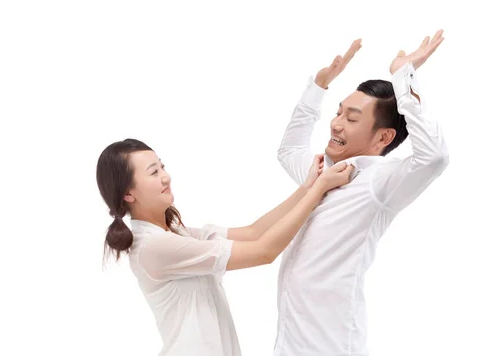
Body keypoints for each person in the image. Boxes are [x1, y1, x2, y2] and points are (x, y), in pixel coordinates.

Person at [274, 30, 449, 356]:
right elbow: (289, 150)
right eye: (338, 112)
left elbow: (435, 157)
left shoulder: (379, 182)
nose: (336, 124)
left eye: (351, 118)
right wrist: (319, 86)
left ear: (384, 137)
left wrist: (402, 77)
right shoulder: (320, 173)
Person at [96, 138, 354, 356]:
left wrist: (308, 187)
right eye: (154, 172)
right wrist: (319, 189)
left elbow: (254, 233)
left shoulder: (176, 233)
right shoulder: (154, 247)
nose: (166, 176)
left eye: (162, 166)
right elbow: (264, 251)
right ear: (128, 194)